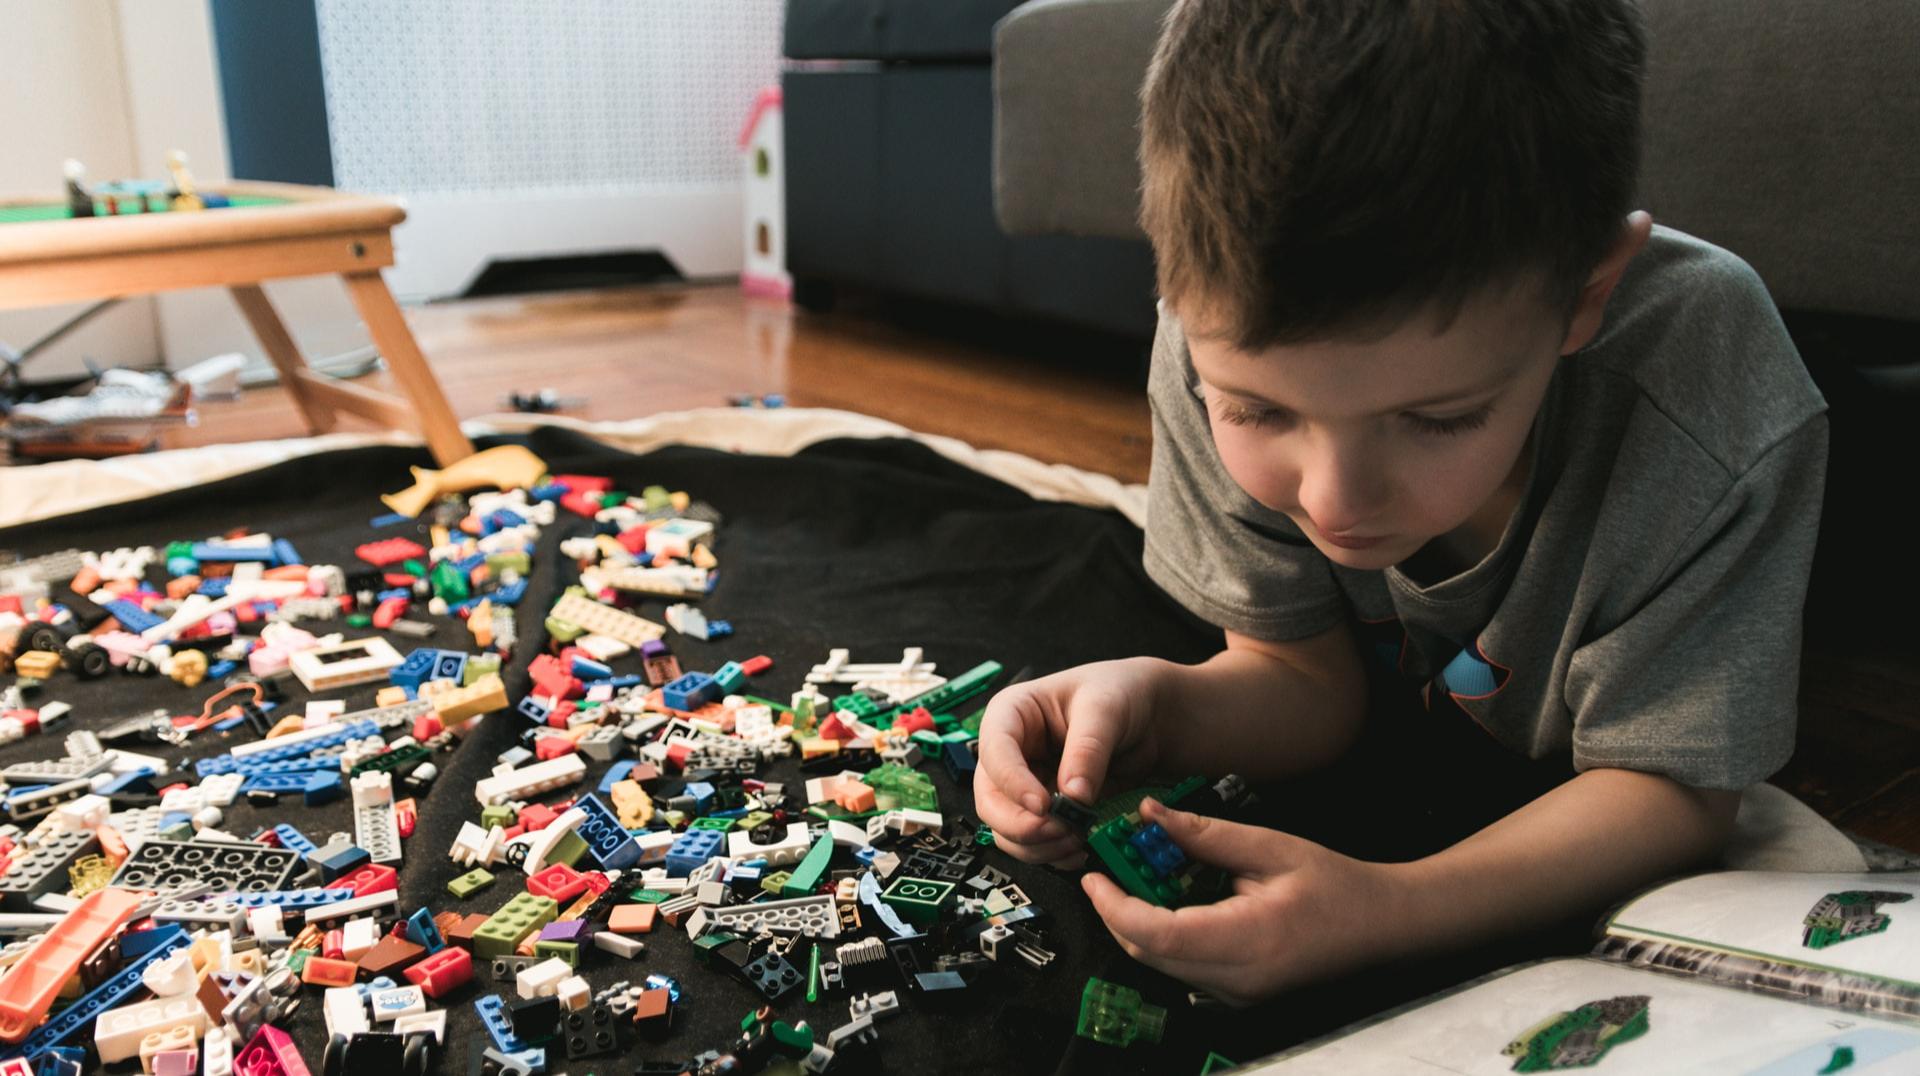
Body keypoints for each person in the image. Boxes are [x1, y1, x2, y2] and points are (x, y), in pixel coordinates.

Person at [975, 0, 1829, 1007]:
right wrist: (1160, 705)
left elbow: (1677, 788)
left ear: (1587, 293)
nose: (1335, 501)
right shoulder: (1211, 326)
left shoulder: (1712, 395)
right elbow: (1303, 678)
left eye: (1437, 419)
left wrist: (1389, 907)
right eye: (1257, 408)